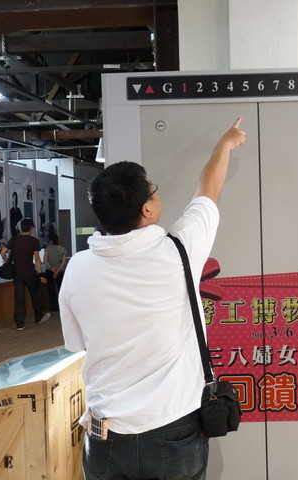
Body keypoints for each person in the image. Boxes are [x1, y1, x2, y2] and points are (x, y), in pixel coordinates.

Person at [59, 117, 246, 480]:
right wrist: (225, 144)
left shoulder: (77, 269)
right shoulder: (179, 250)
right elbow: (209, 187)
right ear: (147, 209)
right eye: (153, 191)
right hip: (174, 429)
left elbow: (78, 344)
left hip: (105, 435)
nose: (157, 195)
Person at [0, 218, 50, 331]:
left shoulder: (14, 239)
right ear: (31, 228)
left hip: (17, 274)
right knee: (34, 296)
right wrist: (41, 275)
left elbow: (2, 252)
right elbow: (37, 259)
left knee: (19, 299)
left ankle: (20, 324)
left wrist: (7, 262)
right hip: (30, 273)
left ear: (21, 228)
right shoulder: (34, 241)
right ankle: (39, 317)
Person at [43, 233, 67, 311]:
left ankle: (54, 307)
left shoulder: (48, 248)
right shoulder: (63, 249)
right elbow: (63, 262)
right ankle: (62, 306)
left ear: (50, 241)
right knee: (60, 289)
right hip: (59, 271)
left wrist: (51, 268)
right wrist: (57, 271)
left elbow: (45, 260)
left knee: (51, 290)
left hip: (49, 271)